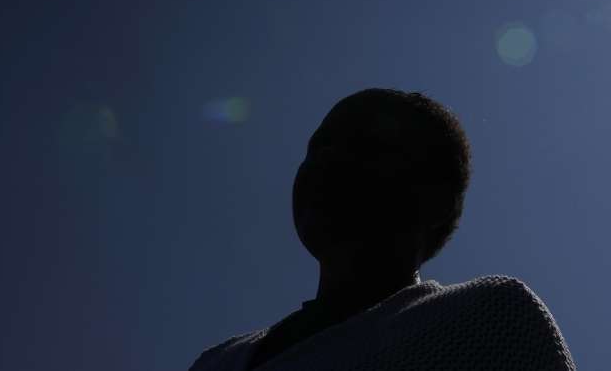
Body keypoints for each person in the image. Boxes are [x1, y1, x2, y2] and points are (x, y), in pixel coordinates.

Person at [189, 88, 576, 370]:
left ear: (437, 199)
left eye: (366, 147)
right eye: (318, 147)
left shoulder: (488, 321)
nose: (326, 161)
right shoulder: (218, 361)